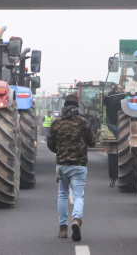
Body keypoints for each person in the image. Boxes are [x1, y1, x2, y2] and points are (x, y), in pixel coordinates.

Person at [47, 94, 94, 241]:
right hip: (79, 165)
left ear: (64, 105)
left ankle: (62, 229)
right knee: (78, 195)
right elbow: (92, 142)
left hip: (62, 165)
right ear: (77, 106)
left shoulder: (56, 123)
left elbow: (50, 144)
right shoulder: (83, 122)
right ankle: (76, 220)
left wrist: (60, 152)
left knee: (62, 194)